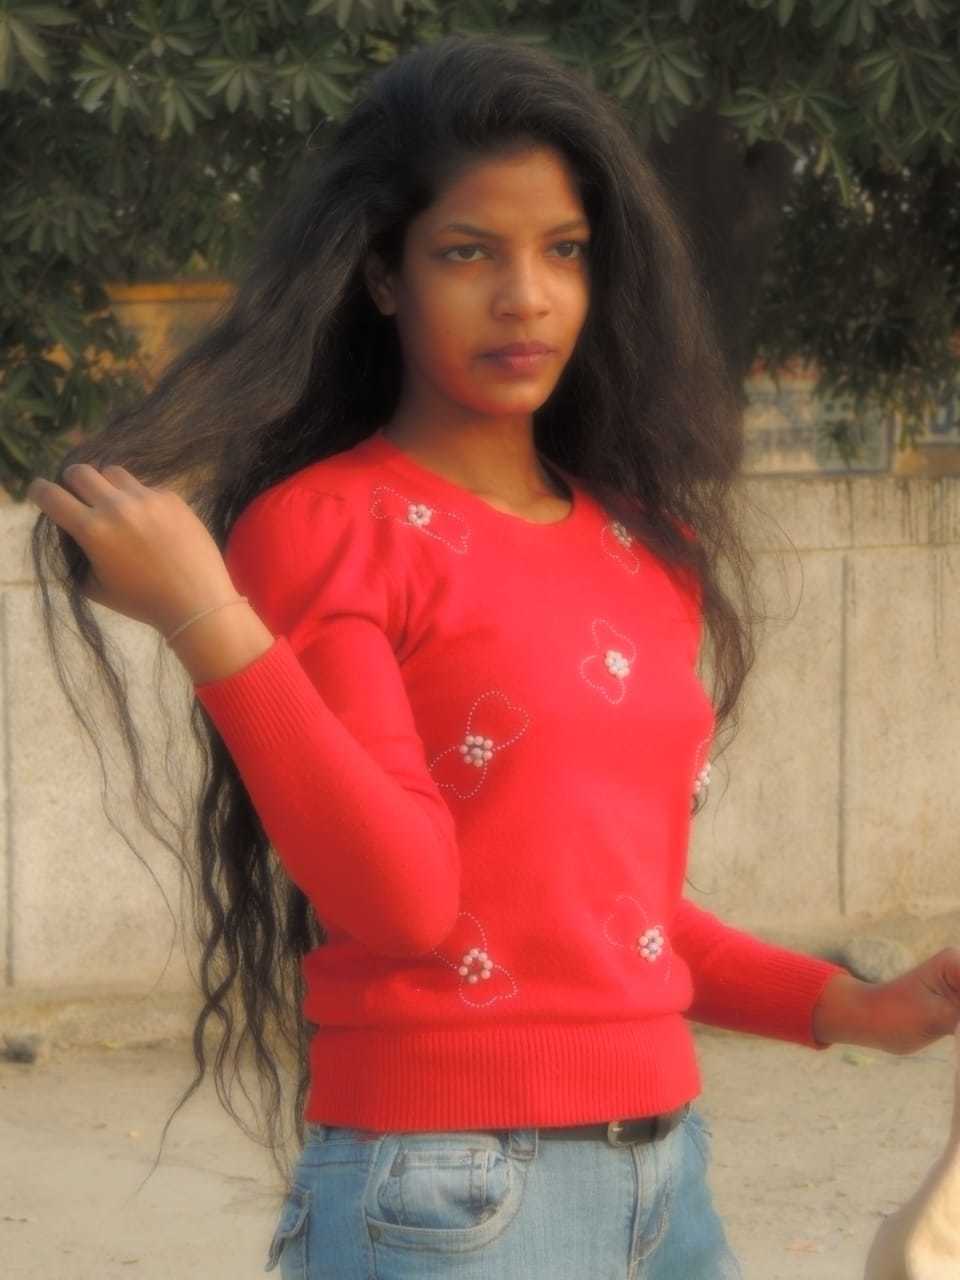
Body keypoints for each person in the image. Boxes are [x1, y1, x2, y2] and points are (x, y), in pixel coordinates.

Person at [25, 32, 960, 1280]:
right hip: (452, 1196)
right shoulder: (326, 526)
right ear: (382, 275)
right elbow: (403, 902)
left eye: (563, 250)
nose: (527, 296)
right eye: (469, 251)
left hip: (670, 1181)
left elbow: (614, 916)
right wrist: (212, 621)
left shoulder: (648, 546)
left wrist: (854, 1009)